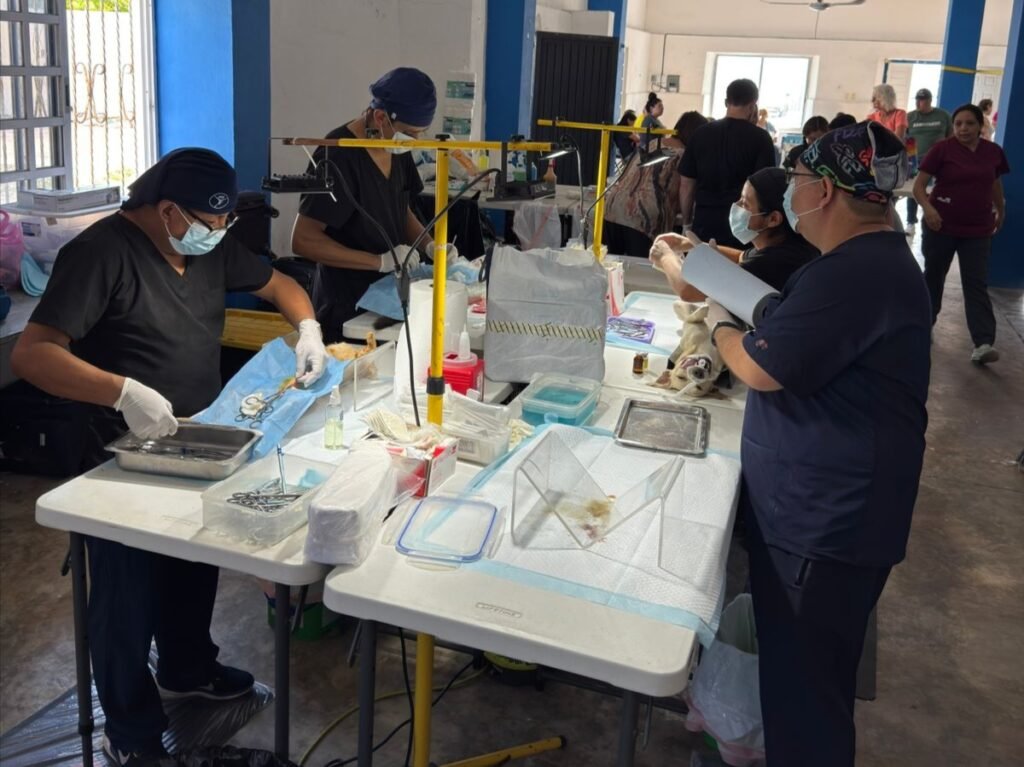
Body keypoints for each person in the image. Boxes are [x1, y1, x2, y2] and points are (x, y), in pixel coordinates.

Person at [9, 148, 328, 767]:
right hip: (118, 449)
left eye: (226, 222)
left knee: (191, 564)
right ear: (166, 211)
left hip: (198, 436)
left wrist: (308, 331)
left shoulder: (209, 246)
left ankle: (188, 668)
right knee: (126, 594)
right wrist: (122, 391)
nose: (219, 233)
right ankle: (129, 729)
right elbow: (33, 354)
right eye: (209, 223)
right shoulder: (101, 253)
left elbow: (281, 285)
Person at [702, 121, 931, 766]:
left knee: (805, 699)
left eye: (798, 178)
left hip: (823, 524)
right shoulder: (863, 263)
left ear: (825, 190)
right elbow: (791, 323)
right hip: (827, 513)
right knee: (802, 684)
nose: (791, 190)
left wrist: (719, 323)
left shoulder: (856, 273)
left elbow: (760, 365)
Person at [291, 67, 450, 342]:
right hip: (346, 306)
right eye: (409, 133)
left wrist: (430, 245)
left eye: (419, 134)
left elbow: (400, 209)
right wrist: (379, 261)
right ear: (380, 117)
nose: (413, 141)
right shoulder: (337, 155)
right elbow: (303, 240)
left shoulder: (395, 147)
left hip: (388, 300)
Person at [914, 103, 1009, 364]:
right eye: (958, 124)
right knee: (933, 277)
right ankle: (923, 326)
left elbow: (994, 183)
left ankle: (983, 342)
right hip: (940, 226)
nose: (963, 129)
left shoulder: (993, 152)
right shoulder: (942, 149)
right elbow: (919, 187)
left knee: (976, 283)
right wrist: (929, 210)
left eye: (969, 123)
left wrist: (1001, 210)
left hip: (978, 229)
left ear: (980, 126)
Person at [650, 166, 818, 299]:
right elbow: (741, 257)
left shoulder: (777, 262)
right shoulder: (783, 246)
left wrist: (665, 256)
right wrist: (689, 245)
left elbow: (689, 291)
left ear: (773, 219)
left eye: (745, 204)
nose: (736, 206)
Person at [678, 78, 776, 248]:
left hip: (704, 221)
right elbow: (764, 188)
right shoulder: (761, 139)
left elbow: (686, 184)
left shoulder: (701, 134)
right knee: (738, 264)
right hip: (742, 226)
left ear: (726, 102)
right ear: (753, 105)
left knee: (702, 264)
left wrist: (686, 223)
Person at [602, 111, 707, 258]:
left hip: (614, 207)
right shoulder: (684, 154)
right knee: (642, 269)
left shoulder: (653, 144)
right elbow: (685, 189)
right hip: (643, 216)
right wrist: (687, 223)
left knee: (609, 265)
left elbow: (625, 176)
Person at [904, 88, 952, 236]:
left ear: (930, 100)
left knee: (935, 191)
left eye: (923, 100)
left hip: (938, 159)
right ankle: (911, 222)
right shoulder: (910, 117)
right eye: (917, 100)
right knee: (914, 190)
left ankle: (933, 219)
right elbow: (904, 137)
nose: (919, 103)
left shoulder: (943, 115)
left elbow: (950, 135)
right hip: (915, 159)